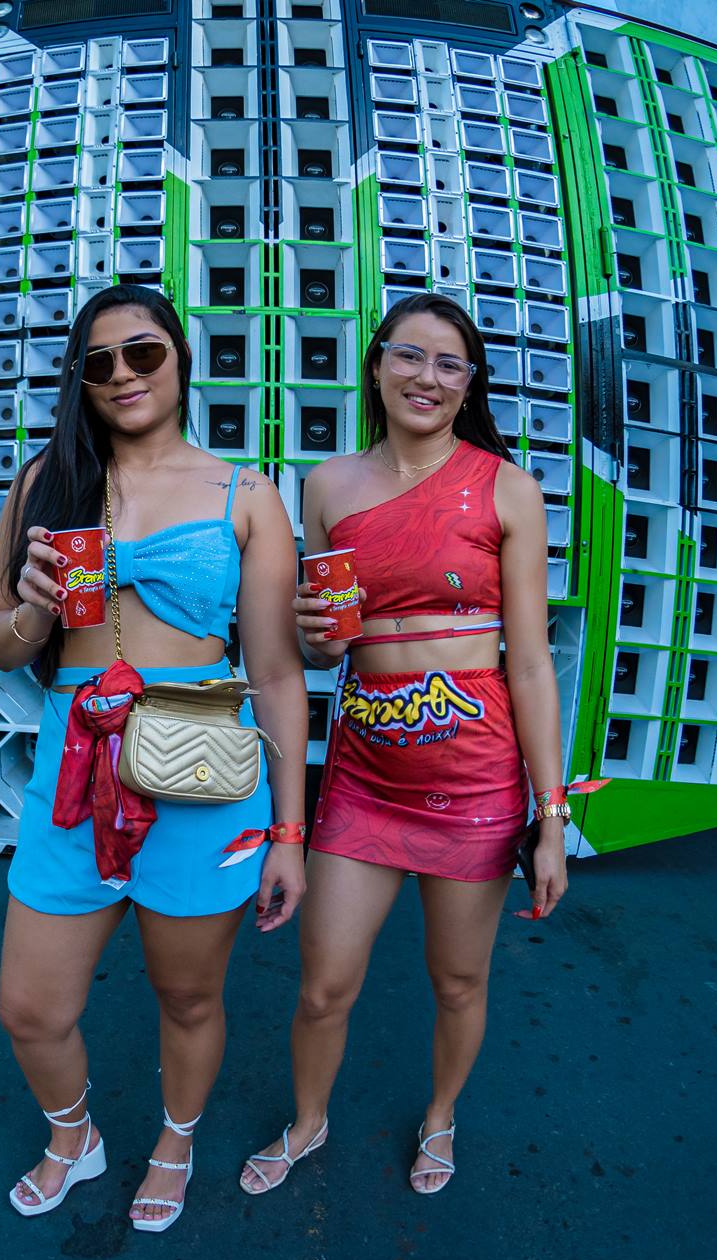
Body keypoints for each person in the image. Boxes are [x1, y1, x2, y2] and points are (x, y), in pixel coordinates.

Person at [0, 285, 307, 1230]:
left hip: (204, 776)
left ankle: (175, 1140)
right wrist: (34, 605)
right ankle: (72, 1137)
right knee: (29, 1007)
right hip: (74, 773)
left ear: (179, 358)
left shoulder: (245, 494)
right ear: (79, 381)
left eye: (143, 353)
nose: (122, 374)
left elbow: (276, 674)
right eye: (99, 363)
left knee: (189, 994)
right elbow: (1, 645)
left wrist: (290, 832)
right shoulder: (44, 483)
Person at [240, 291, 568, 1198]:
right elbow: (325, 647)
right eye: (410, 356)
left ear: (470, 384)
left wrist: (550, 818)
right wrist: (314, 635)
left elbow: (530, 663)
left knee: (458, 982)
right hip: (365, 776)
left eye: (449, 363)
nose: (428, 376)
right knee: (322, 987)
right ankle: (308, 1123)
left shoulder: (508, 488)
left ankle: (441, 1116)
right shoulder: (326, 485)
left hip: (478, 781)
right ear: (377, 365)